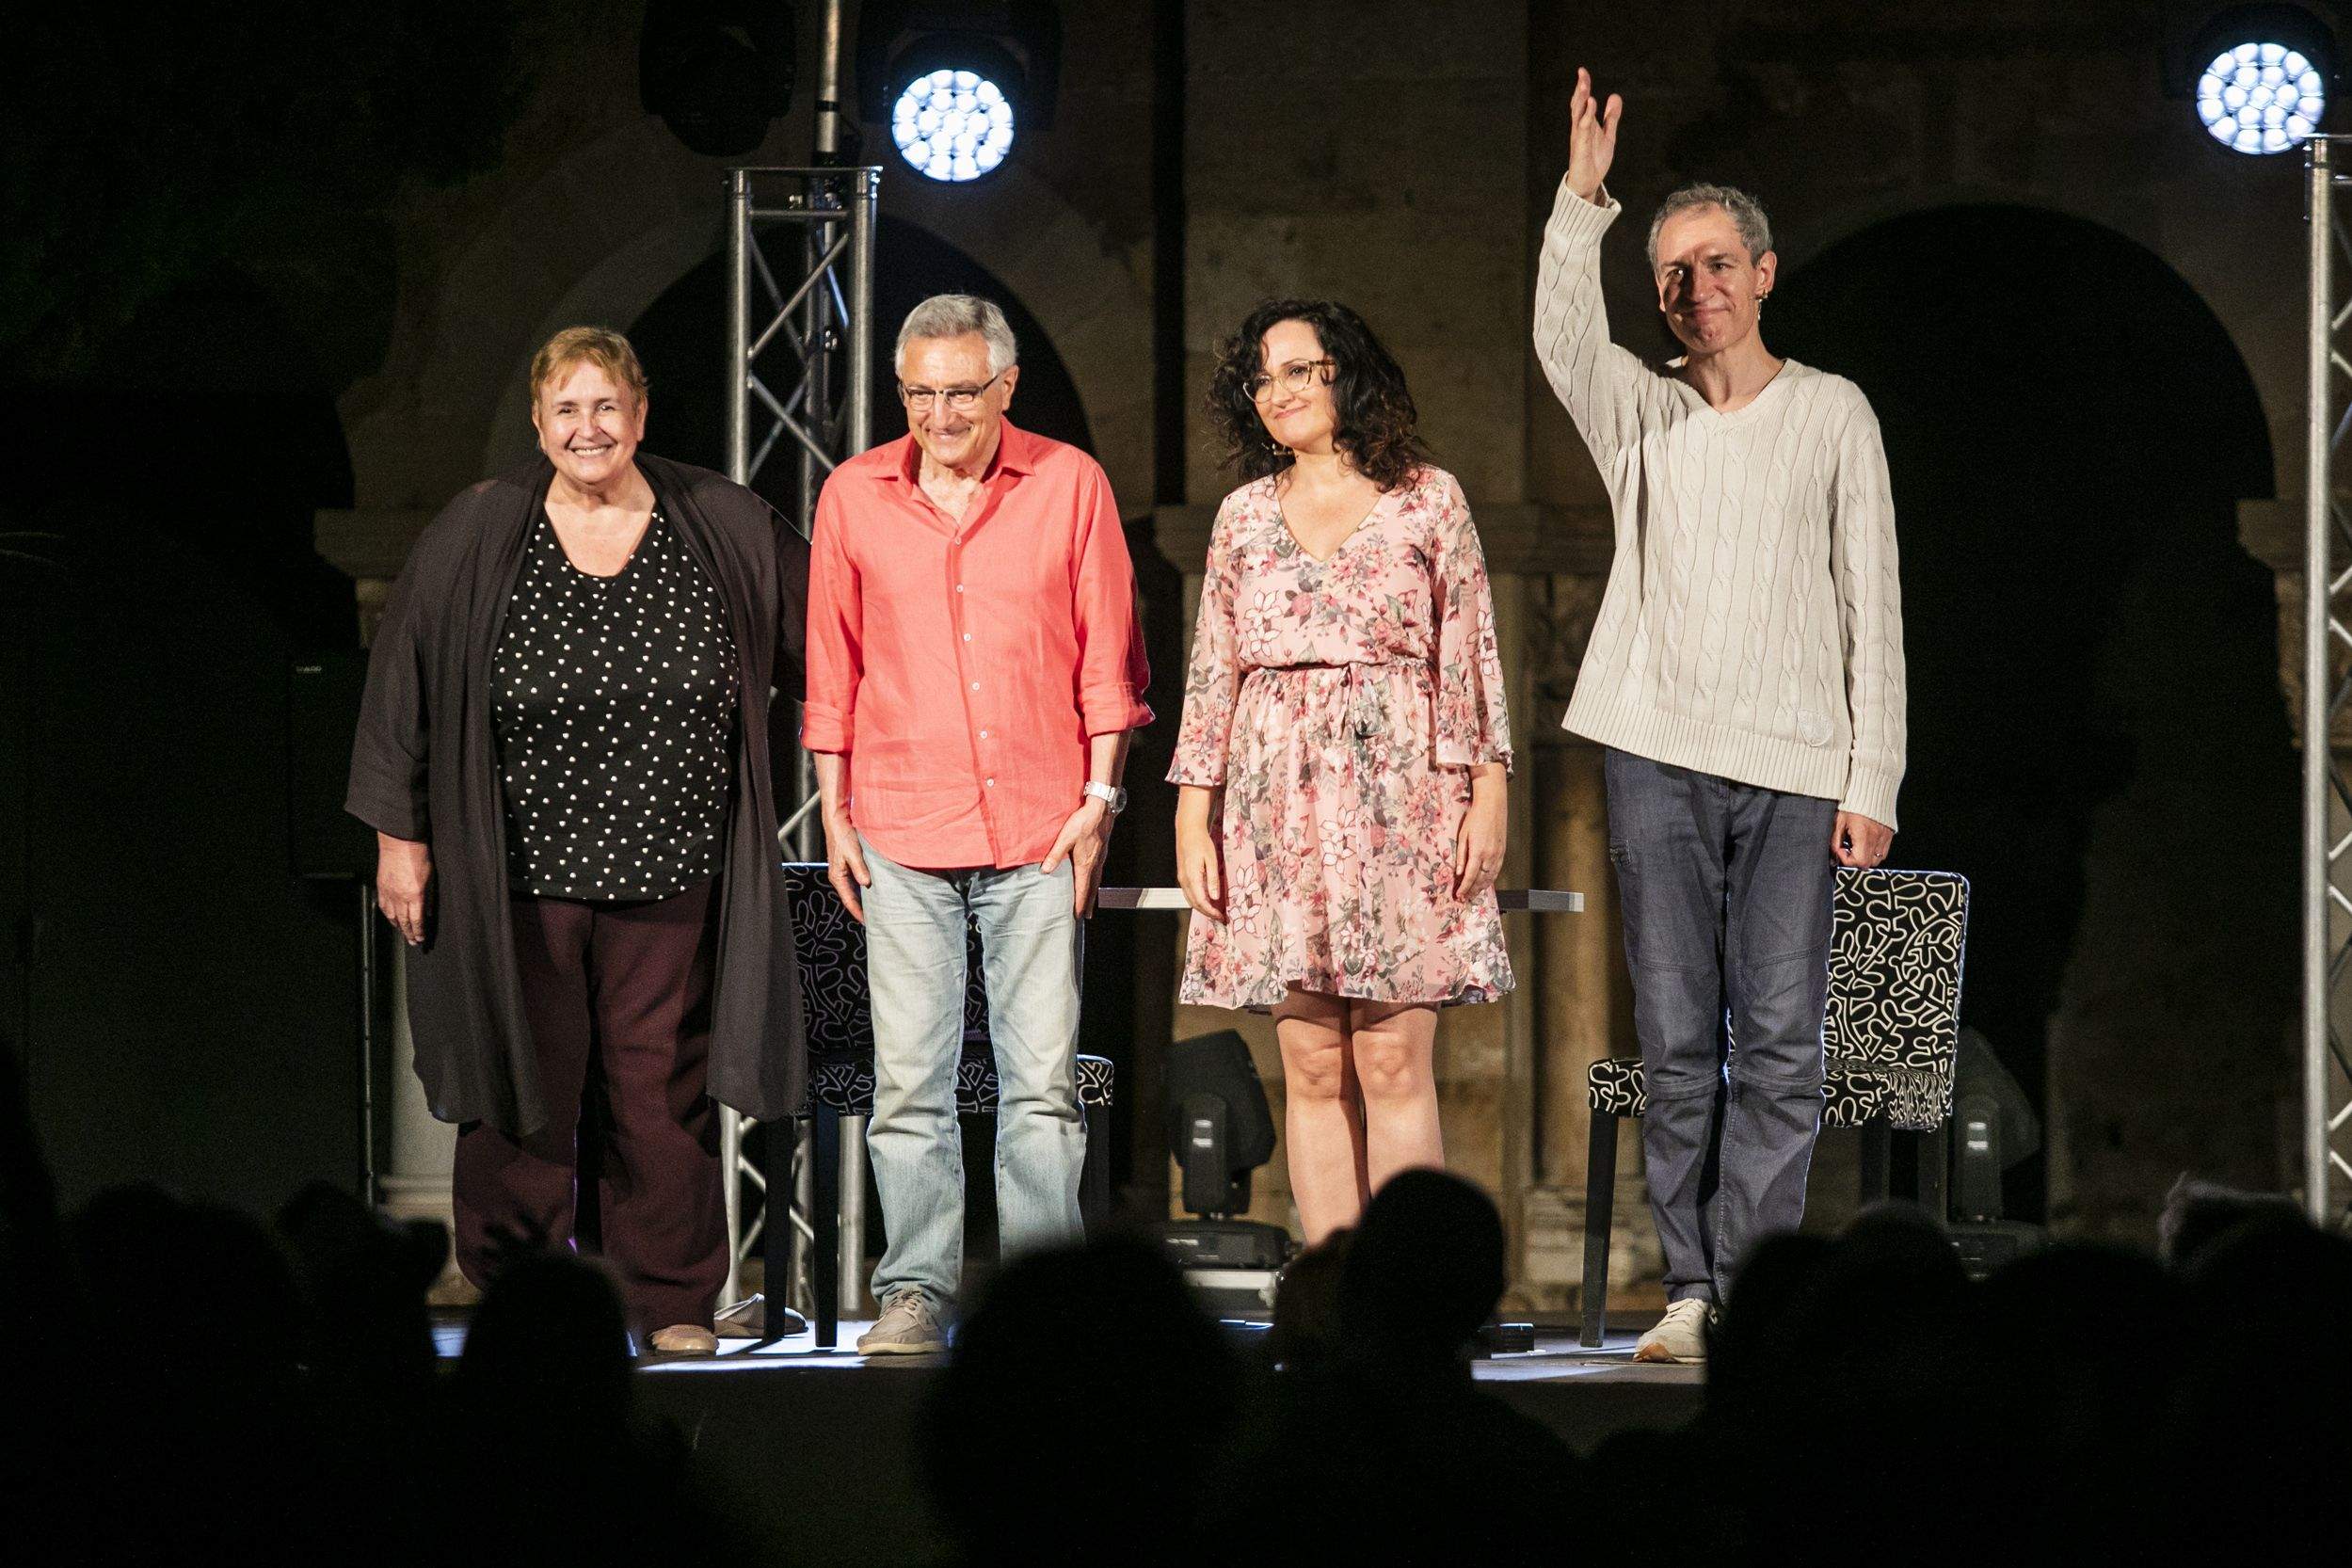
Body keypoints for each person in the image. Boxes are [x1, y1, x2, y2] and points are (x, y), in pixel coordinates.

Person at [1535, 70, 1907, 1362]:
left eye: (1713, 265)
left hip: (1796, 762)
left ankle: (1758, 1282)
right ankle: (1689, 1287)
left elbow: (1872, 604)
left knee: (1783, 1037)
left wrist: (1874, 778)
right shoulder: (1640, 412)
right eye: (1671, 273)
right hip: (1655, 750)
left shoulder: (1831, 412)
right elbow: (1559, 345)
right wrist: (1582, 199)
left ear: (1759, 272)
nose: (1694, 289)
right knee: (1677, 1035)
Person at [346, 326, 809, 1356]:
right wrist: (398, 838)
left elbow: (831, 636)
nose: (588, 428)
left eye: (608, 408)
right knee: (523, 1088)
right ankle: (518, 1293)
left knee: (661, 1089)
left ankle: (675, 1298)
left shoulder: (718, 520)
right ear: (538, 422)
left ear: (641, 416)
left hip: (676, 868)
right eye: (567, 409)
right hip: (517, 870)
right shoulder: (480, 529)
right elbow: (400, 689)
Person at [803, 294, 1152, 1354]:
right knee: (910, 1084)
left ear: (1006, 387)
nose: (940, 413)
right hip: (903, 824)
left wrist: (1100, 803)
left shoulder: (1069, 483)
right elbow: (833, 662)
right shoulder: (855, 494)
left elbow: (1110, 662)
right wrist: (836, 807)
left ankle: (1049, 1304)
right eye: (919, 392)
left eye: (961, 391)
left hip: (1042, 824)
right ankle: (914, 1289)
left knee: (1042, 1086)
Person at [1169, 300, 1513, 1246]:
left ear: (1344, 376)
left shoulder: (1426, 497)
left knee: (1395, 1061)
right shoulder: (1243, 517)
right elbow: (1213, 668)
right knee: (1312, 1065)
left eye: (1298, 370)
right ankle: (1330, 1289)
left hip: (1404, 796)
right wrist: (1191, 816)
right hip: (1277, 801)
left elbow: (1469, 650)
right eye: (1262, 378)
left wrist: (1488, 791)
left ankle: (1407, 1298)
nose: (1276, 392)